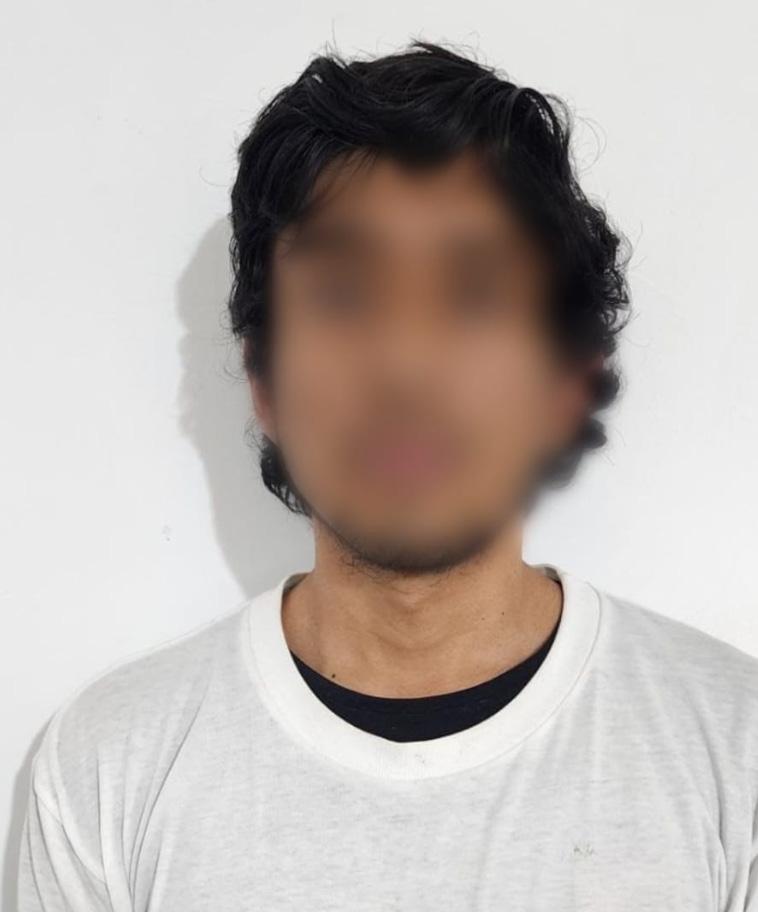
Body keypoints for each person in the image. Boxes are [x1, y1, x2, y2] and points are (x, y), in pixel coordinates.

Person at [18, 39, 758, 911]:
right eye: (343, 296)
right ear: (264, 378)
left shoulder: (734, 753)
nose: (406, 365)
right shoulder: (107, 771)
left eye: (473, 295)